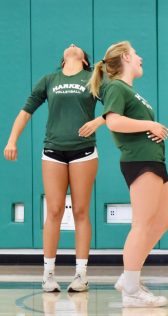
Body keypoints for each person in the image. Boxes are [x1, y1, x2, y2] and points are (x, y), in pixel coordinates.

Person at [4, 44, 104, 293]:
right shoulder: (50, 79)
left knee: (81, 211)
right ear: (62, 61)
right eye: (68, 47)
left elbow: (115, 106)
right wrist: (11, 140)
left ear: (84, 61)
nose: (72, 45)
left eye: (77, 47)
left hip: (84, 151)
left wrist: (99, 120)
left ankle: (81, 275)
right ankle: (48, 274)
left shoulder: (93, 78)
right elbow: (26, 112)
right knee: (55, 210)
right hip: (53, 151)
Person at [88, 41, 168, 308]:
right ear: (125, 57)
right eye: (136, 54)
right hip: (140, 161)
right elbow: (113, 121)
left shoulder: (130, 91)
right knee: (142, 224)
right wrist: (151, 124)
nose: (140, 57)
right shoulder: (115, 87)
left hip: (155, 160)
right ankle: (132, 292)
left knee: (162, 221)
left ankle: (128, 277)